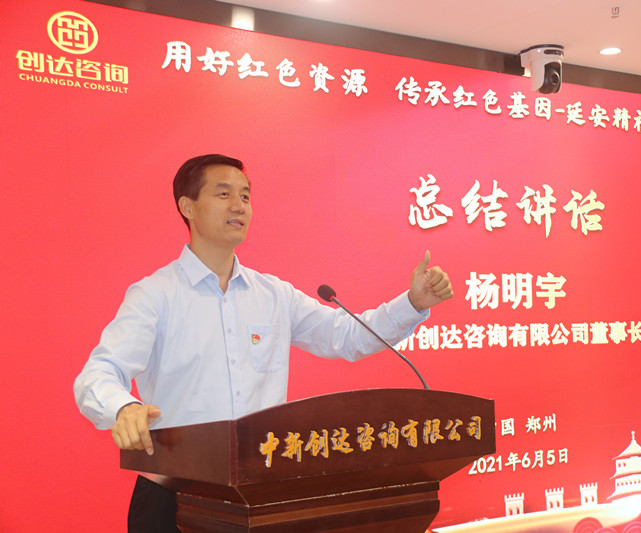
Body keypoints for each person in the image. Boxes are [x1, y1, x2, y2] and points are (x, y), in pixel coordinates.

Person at [73, 154, 454, 532]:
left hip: (262, 496)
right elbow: (99, 372)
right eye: (224, 194)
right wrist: (123, 407)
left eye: (245, 196)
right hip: (174, 497)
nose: (239, 206)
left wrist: (412, 303)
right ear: (187, 207)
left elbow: (347, 336)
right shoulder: (155, 295)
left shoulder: (273, 294)